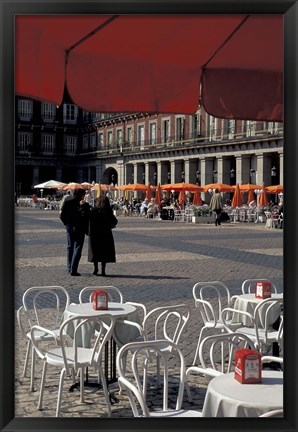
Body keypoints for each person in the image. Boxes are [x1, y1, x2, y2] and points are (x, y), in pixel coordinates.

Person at [60, 188, 90, 276]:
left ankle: (69, 268)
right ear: (81, 195)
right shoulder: (83, 204)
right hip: (79, 229)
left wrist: (66, 224)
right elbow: (86, 217)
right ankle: (73, 269)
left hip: (69, 228)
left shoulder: (68, 202)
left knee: (70, 247)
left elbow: (62, 216)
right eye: (84, 195)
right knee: (77, 248)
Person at [88, 194, 117, 276]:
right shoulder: (108, 211)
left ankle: (95, 269)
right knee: (104, 252)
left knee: (95, 251)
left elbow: (89, 222)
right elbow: (114, 221)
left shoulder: (93, 210)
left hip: (95, 234)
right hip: (105, 234)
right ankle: (103, 270)